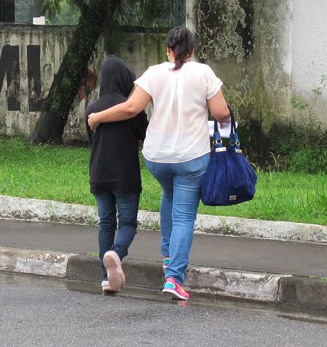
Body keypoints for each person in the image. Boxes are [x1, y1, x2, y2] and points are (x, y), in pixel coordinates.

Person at [88, 26, 230, 300]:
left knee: (169, 193)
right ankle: (173, 278)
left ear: (167, 50)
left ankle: (167, 256)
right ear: (192, 51)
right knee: (184, 217)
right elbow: (221, 113)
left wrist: (97, 117)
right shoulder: (203, 73)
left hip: (157, 158)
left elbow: (131, 108)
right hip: (190, 158)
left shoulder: (154, 73)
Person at [86, 56, 149, 294]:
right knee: (128, 223)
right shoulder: (131, 108)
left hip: (99, 175)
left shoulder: (92, 110)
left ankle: (105, 278)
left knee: (106, 224)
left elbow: (92, 142)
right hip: (125, 176)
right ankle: (117, 252)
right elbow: (146, 135)